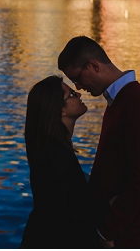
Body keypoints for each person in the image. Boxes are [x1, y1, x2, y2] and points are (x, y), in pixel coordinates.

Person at [58, 36, 140, 249]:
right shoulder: (121, 101)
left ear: (94, 66)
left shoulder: (136, 102)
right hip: (120, 230)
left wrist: (106, 231)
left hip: (125, 235)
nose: (78, 86)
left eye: (77, 78)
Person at [20, 75, 99, 249]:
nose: (79, 95)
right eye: (71, 94)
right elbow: (72, 214)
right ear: (60, 109)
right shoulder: (56, 155)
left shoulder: (51, 150)